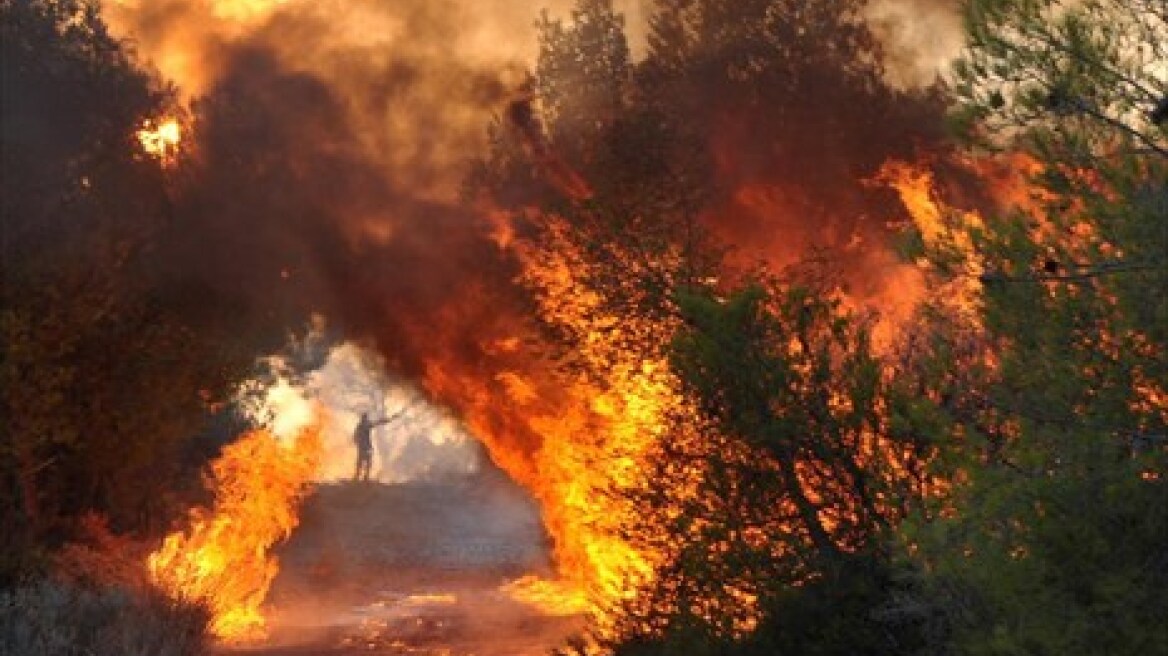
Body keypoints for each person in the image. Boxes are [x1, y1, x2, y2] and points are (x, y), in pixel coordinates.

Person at [352, 411, 398, 482]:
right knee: (365, 463)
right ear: (364, 419)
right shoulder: (363, 426)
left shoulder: (360, 426)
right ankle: (361, 477)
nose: (366, 420)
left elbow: (355, 437)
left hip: (364, 447)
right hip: (365, 448)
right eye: (365, 418)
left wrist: (386, 420)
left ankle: (360, 477)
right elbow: (375, 424)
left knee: (363, 463)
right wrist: (385, 420)